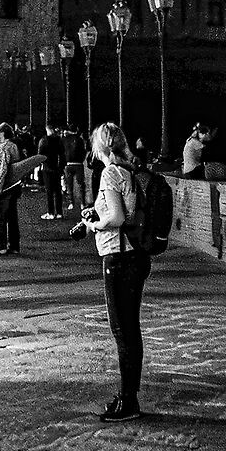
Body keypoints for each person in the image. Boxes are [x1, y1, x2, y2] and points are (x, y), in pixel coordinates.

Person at [81, 122, 151, 420]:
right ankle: (128, 396)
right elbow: (126, 210)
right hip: (136, 255)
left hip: (118, 256)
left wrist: (93, 224)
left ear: (100, 147)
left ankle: (128, 401)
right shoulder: (130, 169)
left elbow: (118, 217)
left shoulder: (110, 172)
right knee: (131, 329)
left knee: (122, 330)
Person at [0, 122, 27, 254]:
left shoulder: (3, 149)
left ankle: (2, 246)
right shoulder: (13, 146)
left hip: (4, 188)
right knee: (12, 217)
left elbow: (1, 169)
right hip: (13, 187)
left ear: (2, 133)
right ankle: (14, 246)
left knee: (1, 218)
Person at [39, 121, 69, 219]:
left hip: (47, 168)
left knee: (49, 191)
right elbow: (62, 154)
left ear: (47, 129)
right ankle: (59, 212)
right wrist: (62, 167)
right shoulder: (59, 140)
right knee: (58, 190)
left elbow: (40, 154)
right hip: (57, 167)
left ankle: (50, 212)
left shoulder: (44, 140)